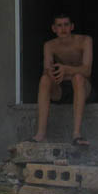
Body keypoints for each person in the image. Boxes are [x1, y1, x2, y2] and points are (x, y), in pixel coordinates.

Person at [31, 13, 92, 145]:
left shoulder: (85, 40)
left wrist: (66, 69)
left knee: (78, 78)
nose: (63, 28)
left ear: (72, 26)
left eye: (66, 25)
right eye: (59, 25)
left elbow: (87, 70)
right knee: (44, 80)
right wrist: (51, 72)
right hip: (61, 88)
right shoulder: (49, 45)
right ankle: (40, 134)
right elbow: (47, 69)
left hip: (82, 87)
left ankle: (76, 134)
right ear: (54, 28)